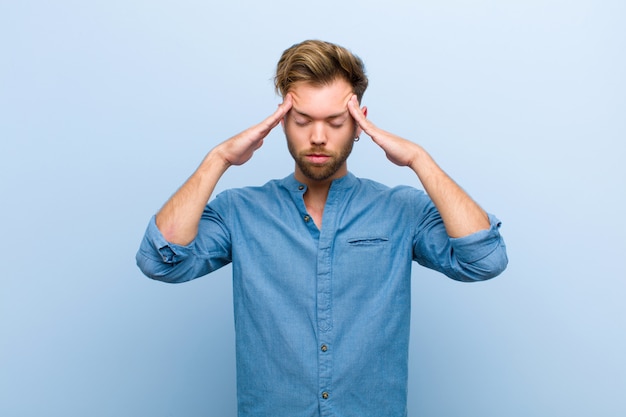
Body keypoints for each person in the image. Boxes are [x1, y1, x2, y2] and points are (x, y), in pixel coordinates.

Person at [136, 39, 508, 417]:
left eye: (335, 122)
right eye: (302, 121)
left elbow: (485, 260)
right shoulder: (240, 212)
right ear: (282, 121)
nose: (318, 137)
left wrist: (418, 159)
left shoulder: (402, 211)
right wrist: (218, 159)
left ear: (359, 122)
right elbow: (161, 262)